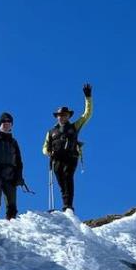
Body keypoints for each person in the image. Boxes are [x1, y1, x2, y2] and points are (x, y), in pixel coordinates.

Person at [42, 83, 93, 212]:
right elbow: (44, 147)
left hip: (71, 157)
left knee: (68, 177)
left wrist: (88, 97)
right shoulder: (51, 131)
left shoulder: (75, 126)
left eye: (64, 115)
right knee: (61, 182)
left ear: (69, 116)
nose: (62, 117)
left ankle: (68, 206)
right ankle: (66, 203)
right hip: (56, 159)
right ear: (57, 117)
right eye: (60, 115)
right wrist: (48, 152)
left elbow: (87, 114)